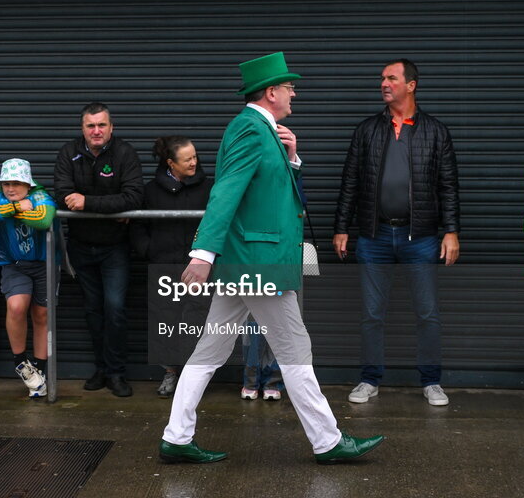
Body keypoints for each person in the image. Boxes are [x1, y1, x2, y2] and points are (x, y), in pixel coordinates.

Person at [160, 52, 384, 465]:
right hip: (258, 264)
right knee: (295, 347)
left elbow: (273, 192)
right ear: (271, 92)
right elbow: (225, 192)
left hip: (251, 260)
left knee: (210, 350)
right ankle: (328, 441)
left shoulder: (265, 131)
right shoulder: (250, 130)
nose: (294, 92)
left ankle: (176, 437)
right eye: (289, 86)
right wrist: (202, 253)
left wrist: (293, 157)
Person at [333, 59, 461, 407]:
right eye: (382, 78)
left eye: (392, 78)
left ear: (411, 85)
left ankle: (431, 381)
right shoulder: (367, 130)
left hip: (419, 238)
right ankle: (369, 379)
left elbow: (448, 186)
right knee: (372, 314)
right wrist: (342, 228)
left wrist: (451, 232)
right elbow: (350, 182)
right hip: (374, 238)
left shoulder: (435, 131)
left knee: (427, 313)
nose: (384, 83)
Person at [54, 102, 144, 397]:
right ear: (82, 129)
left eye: (101, 125)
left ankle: (117, 373)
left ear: (111, 127)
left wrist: (89, 202)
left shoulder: (125, 154)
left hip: (115, 247)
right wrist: (109, 205)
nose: (96, 131)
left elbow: (132, 198)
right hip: (80, 246)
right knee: (94, 310)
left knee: (115, 308)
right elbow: (64, 196)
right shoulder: (69, 153)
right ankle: (101, 369)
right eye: (90, 126)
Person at [130, 135, 213, 398]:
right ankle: (170, 374)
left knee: (195, 321)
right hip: (163, 266)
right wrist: (149, 250)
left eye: (195, 157)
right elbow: (138, 225)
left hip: (196, 268)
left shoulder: (208, 188)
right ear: (170, 163)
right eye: (187, 159)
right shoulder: (151, 191)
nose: (194, 162)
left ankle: (193, 379)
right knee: (165, 320)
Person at [0, 158, 59, 399]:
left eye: (16, 183)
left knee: (41, 314)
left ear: (28, 184)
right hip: (14, 264)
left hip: (44, 263)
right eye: (6, 183)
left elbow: (44, 218)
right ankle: (22, 363)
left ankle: (40, 372)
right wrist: (14, 208)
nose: (10, 188)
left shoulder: (40, 195)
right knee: (16, 306)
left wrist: (22, 209)